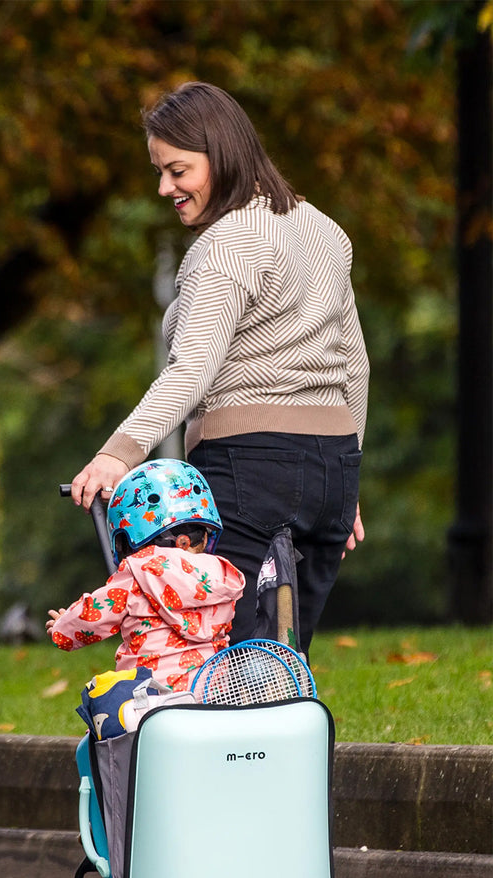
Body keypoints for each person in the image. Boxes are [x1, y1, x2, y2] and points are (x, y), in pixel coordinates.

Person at [69, 82, 369, 660]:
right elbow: (353, 363)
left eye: (177, 170)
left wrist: (118, 454)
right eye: (160, 172)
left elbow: (192, 371)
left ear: (221, 152)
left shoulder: (226, 244)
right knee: (286, 664)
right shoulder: (325, 230)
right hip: (334, 469)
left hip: (249, 466)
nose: (165, 188)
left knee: (218, 656)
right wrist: (350, 475)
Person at [48, 459, 245, 690]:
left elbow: (93, 615)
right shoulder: (222, 575)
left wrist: (62, 629)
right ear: (204, 534)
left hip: (150, 697)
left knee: (97, 699)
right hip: (212, 695)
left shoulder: (138, 572)